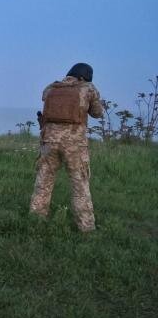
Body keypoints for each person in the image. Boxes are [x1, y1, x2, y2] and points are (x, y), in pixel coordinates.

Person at [30, 63, 103, 231]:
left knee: (43, 181)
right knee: (80, 184)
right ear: (85, 77)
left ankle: (35, 220)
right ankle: (86, 227)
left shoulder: (50, 88)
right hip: (74, 145)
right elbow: (98, 113)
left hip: (48, 142)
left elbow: (45, 102)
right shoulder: (88, 88)